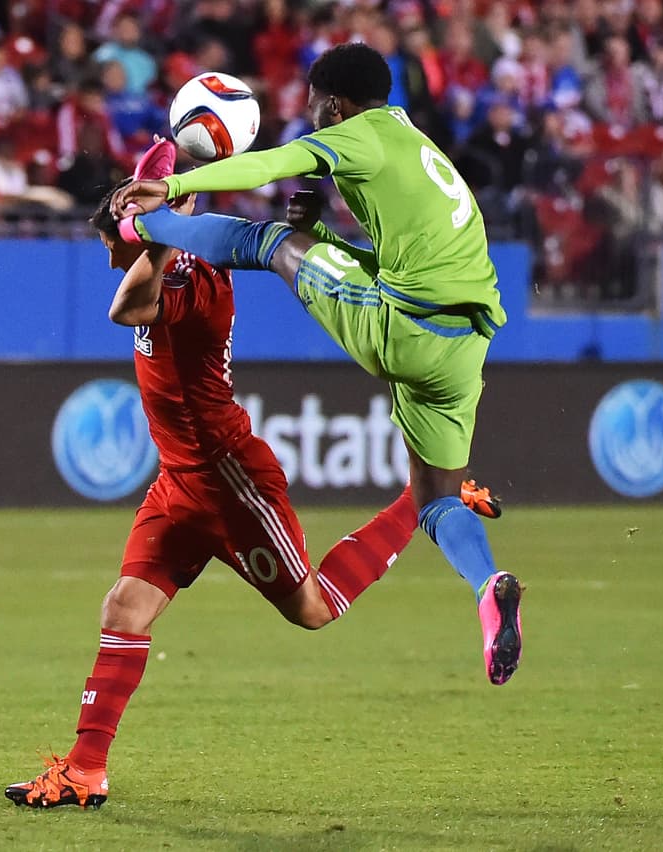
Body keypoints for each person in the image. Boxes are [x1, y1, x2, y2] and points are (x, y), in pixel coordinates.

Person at [4, 140, 420, 810]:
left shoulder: (189, 281)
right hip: (179, 480)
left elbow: (127, 309)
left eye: (121, 229)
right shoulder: (165, 265)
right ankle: (85, 770)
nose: (111, 244)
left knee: (311, 610)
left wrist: (164, 217)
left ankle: (424, 499)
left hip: (230, 483)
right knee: (125, 608)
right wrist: (164, 206)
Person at [110, 43, 523, 687]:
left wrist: (173, 189)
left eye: (311, 104)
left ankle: (153, 227)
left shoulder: (357, 133)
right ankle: (486, 585)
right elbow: (395, 257)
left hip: (406, 326)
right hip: (466, 346)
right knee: (436, 499)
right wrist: (325, 238)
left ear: (332, 102)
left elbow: (271, 164)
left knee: (265, 241)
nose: (310, 115)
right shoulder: (413, 142)